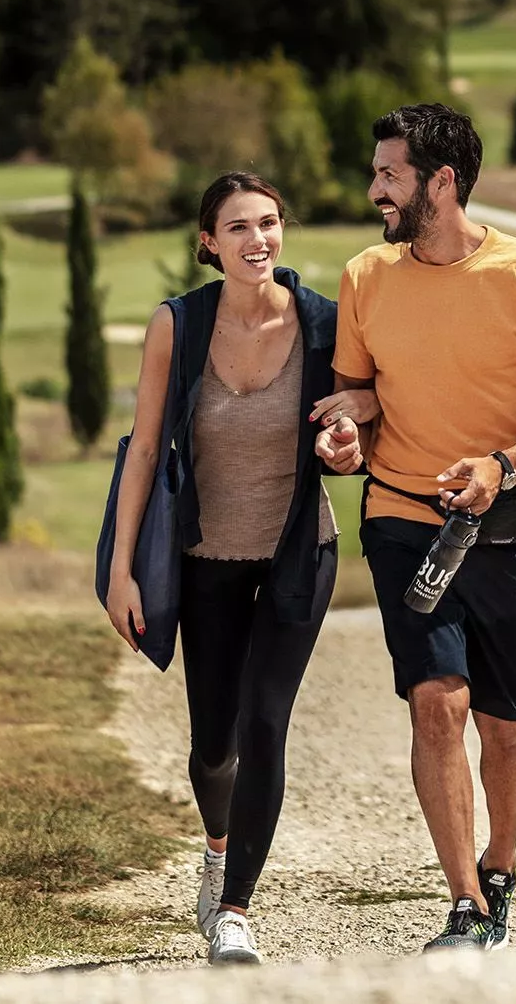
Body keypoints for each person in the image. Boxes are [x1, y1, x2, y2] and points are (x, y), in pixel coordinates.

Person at [312, 104, 516, 952]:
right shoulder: (368, 276)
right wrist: (341, 440)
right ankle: (467, 902)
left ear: (442, 180)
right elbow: (354, 409)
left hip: (507, 523)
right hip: (403, 518)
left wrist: (503, 464)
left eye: (390, 175)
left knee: (503, 721)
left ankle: (502, 866)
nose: (375, 191)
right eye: (377, 173)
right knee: (437, 703)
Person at [104, 172, 376, 966]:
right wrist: (121, 571)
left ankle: (235, 910)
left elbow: (354, 438)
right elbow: (146, 453)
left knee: (264, 722)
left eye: (269, 223)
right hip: (206, 561)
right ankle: (217, 846)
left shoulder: (325, 323)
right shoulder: (177, 325)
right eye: (239, 228)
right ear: (209, 242)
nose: (259, 240)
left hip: (298, 552)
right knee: (213, 745)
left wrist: (347, 447)